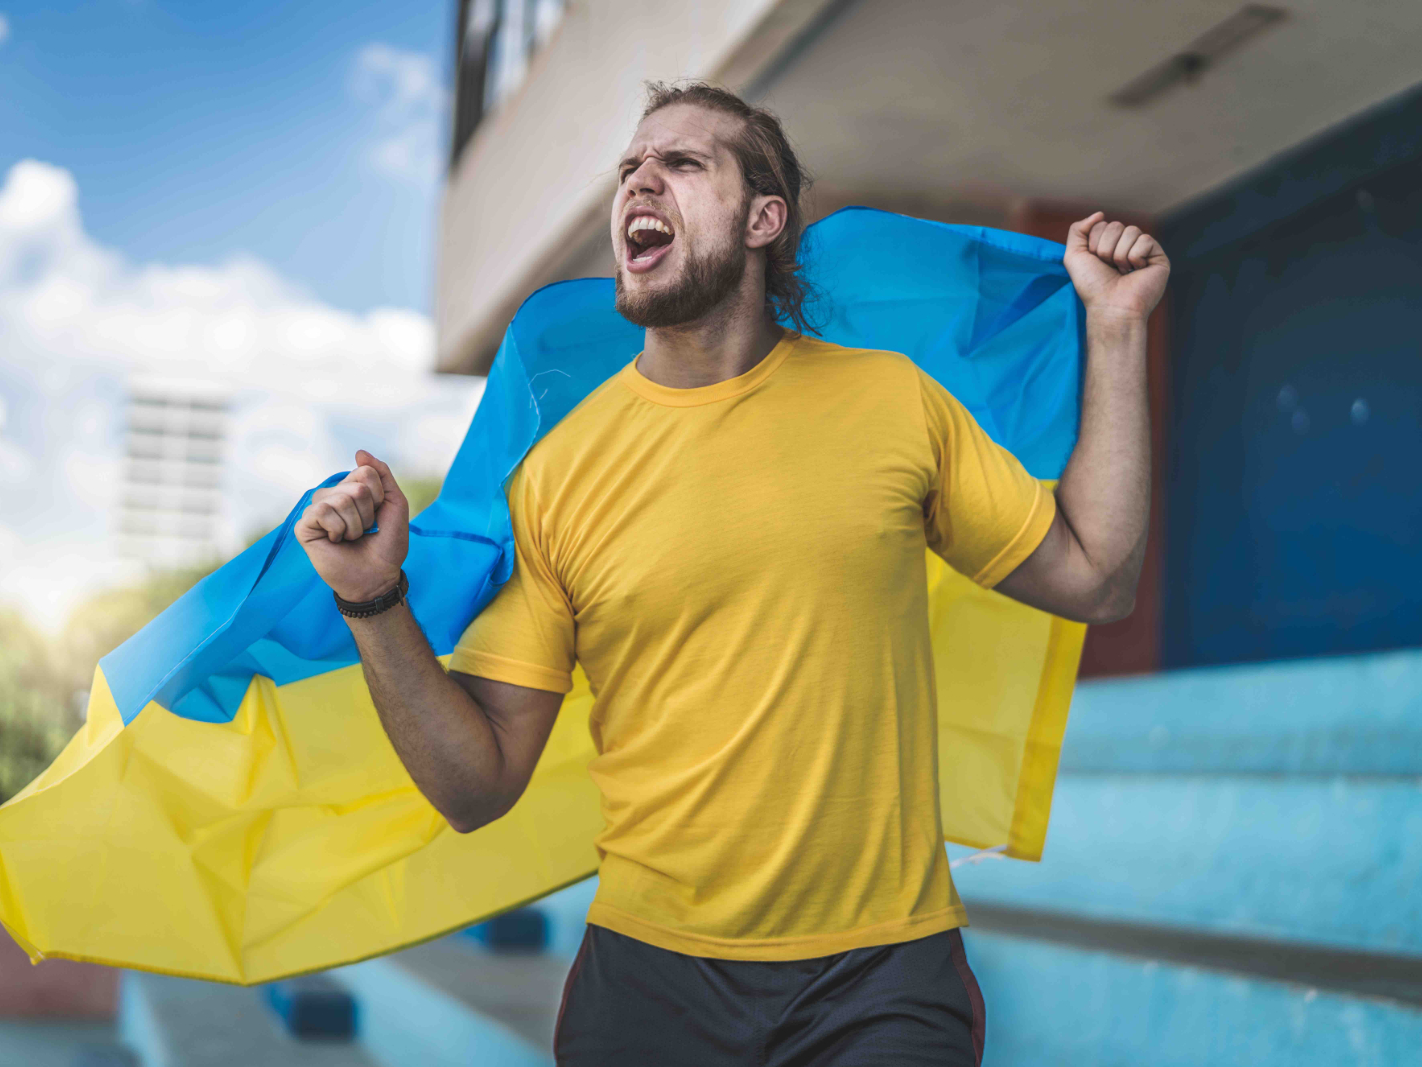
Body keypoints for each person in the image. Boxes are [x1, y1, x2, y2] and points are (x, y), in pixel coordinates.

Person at [294, 82, 1167, 1066]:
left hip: (880, 976)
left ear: (764, 218)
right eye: (630, 166)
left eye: (682, 162)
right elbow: (476, 783)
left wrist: (1119, 327)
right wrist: (372, 598)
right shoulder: (555, 474)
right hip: (648, 983)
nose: (641, 180)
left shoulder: (892, 403)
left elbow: (1096, 576)